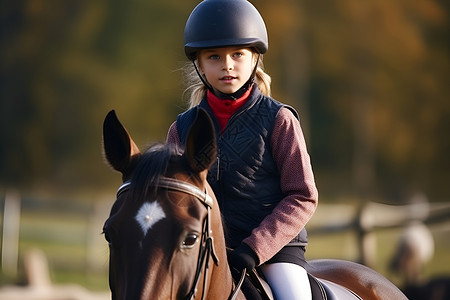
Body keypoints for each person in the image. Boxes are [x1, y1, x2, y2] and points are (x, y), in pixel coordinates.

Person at [166, 0, 318, 299]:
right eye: (214, 56)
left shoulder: (280, 120)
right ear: (199, 65)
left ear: (254, 59)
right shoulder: (181, 130)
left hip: (276, 254)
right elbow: (172, 199)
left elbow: (303, 196)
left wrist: (255, 247)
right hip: (204, 251)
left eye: (237, 54)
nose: (227, 65)